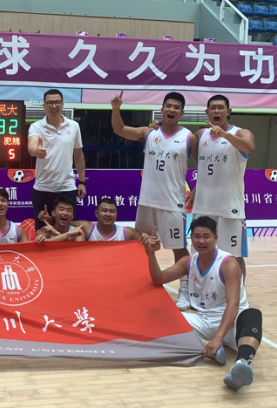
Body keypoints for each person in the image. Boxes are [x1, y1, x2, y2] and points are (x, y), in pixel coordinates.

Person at [145, 216, 263, 391]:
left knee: (253, 315)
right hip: (203, 320)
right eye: (197, 236)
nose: (201, 241)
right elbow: (159, 278)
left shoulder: (228, 263)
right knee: (159, 316)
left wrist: (218, 338)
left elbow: (233, 305)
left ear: (216, 238)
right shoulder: (189, 261)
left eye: (206, 236)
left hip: (231, 322)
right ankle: (204, 344)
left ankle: (241, 364)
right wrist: (151, 253)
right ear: (191, 238)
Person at [112, 90, 198, 310]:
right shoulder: (149, 133)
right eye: (168, 106)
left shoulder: (189, 138)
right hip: (147, 201)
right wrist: (116, 109)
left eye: (176, 107)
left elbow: (206, 165)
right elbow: (120, 129)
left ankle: (185, 290)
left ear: (182, 113)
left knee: (179, 248)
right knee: (140, 245)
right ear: (162, 109)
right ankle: (141, 285)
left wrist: (196, 189)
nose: (171, 110)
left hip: (173, 202)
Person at [189, 95, 255, 288]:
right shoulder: (201, 135)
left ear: (228, 111)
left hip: (230, 207)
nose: (217, 111)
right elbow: (203, 165)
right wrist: (195, 189)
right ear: (207, 112)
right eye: (213, 108)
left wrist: (225, 135)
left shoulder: (241, 133)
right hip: (204, 205)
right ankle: (200, 291)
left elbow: (249, 147)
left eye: (221, 107)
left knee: (233, 255)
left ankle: (238, 294)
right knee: (200, 253)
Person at [28, 89, 87, 231]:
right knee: (43, 231)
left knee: (69, 231)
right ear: (44, 106)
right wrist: (36, 151)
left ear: (62, 104)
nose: (54, 106)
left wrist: (82, 182)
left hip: (67, 187)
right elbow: (31, 147)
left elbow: (78, 155)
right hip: (43, 188)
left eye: (57, 102)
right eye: (50, 103)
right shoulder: (36, 126)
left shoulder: (73, 126)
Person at [40, 198, 148, 243]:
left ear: (116, 215)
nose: (108, 214)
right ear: (96, 213)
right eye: (104, 211)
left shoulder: (127, 232)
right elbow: (65, 220)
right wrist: (50, 219)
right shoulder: (87, 227)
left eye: (111, 211)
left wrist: (146, 238)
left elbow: (152, 246)